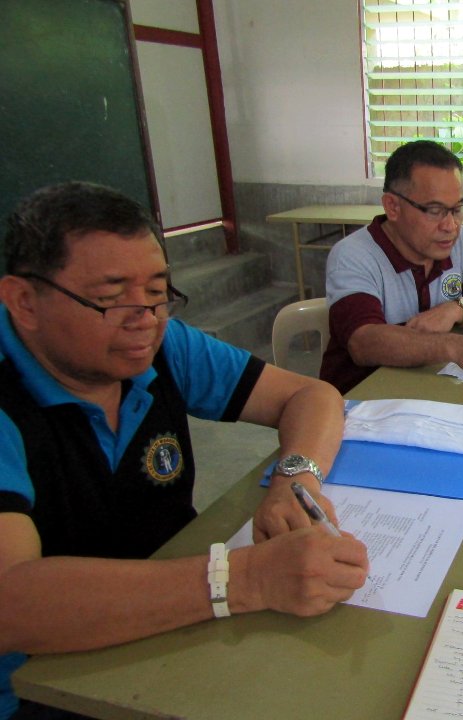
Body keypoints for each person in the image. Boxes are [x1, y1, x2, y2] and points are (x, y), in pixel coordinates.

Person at [0, 183, 369, 719]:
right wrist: (245, 578)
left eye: (157, 292)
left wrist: (297, 477)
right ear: (25, 302)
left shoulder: (159, 345)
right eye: (111, 297)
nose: (144, 318)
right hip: (49, 683)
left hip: (179, 614)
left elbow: (311, 395)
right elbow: (13, 603)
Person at [319, 140, 463, 394]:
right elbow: (364, 341)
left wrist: (458, 309)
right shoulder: (353, 255)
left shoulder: (462, 241)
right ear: (393, 207)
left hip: (434, 393)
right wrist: (453, 347)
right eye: (435, 210)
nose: (450, 225)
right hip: (364, 403)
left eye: (457, 209)